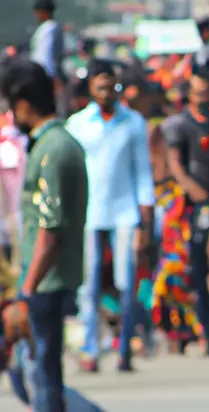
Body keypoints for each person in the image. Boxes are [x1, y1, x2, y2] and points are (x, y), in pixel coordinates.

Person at [0, 59, 88, 412]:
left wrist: (26, 291)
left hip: (45, 283)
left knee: (43, 376)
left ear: (23, 102)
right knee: (29, 371)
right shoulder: (49, 145)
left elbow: (50, 230)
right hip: (40, 280)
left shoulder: (54, 149)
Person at [66, 58, 155, 373]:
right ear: (91, 87)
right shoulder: (77, 124)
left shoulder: (133, 123)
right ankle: (90, 348)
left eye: (111, 86)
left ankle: (125, 346)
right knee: (88, 284)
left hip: (125, 213)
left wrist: (145, 221)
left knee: (125, 281)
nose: (106, 92)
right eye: (100, 86)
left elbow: (143, 173)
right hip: (89, 213)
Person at [161, 69, 209, 355]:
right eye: (198, 92)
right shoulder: (179, 125)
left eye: (207, 92)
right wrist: (193, 190)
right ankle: (193, 332)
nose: (203, 98)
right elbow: (175, 164)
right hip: (189, 209)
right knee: (190, 271)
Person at [31, 0, 67, 116]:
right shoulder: (50, 28)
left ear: (44, 12)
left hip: (46, 75)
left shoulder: (49, 28)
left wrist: (49, 78)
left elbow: (45, 55)